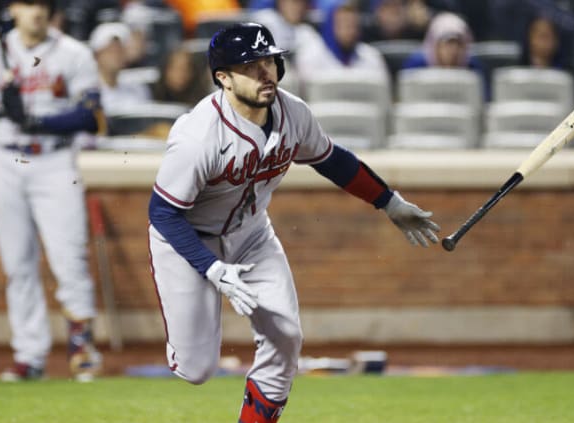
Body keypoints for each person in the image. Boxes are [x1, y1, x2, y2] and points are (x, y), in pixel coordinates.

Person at [148, 22, 439, 423]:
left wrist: (388, 202)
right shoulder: (198, 137)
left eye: (269, 60)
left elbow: (332, 159)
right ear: (224, 78)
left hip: (251, 234)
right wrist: (213, 269)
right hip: (189, 241)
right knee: (197, 370)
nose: (265, 71)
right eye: (250, 65)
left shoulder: (292, 112)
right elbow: (162, 213)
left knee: (286, 339)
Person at [0, 0, 103, 382]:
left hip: (55, 163)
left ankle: (82, 349)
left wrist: (36, 119)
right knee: (18, 264)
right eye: (26, 3)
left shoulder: (73, 52)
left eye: (41, 3)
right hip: (7, 161)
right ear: (14, 11)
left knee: (68, 258)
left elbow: (92, 115)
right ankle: (29, 355)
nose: (35, 10)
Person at [294, 0, 389, 84]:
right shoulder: (310, 56)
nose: (349, 30)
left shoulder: (372, 57)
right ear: (330, 26)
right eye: (343, 24)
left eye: (353, 24)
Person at [89, 21, 151, 114]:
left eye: (120, 49)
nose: (117, 54)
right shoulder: (86, 91)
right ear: (97, 55)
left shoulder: (139, 89)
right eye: (111, 50)